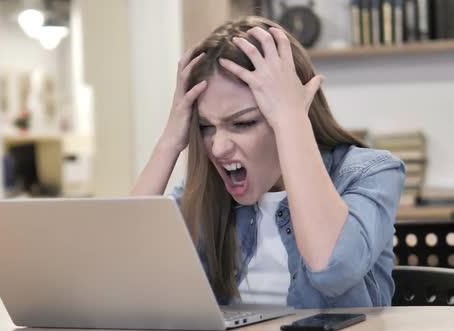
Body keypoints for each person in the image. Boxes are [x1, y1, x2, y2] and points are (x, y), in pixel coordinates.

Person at [131, 16, 405, 309]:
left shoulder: (371, 172)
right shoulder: (203, 192)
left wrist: (291, 122)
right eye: (205, 127)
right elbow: (121, 269)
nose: (218, 147)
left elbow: (332, 271)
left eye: (243, 123)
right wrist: (169, 142)